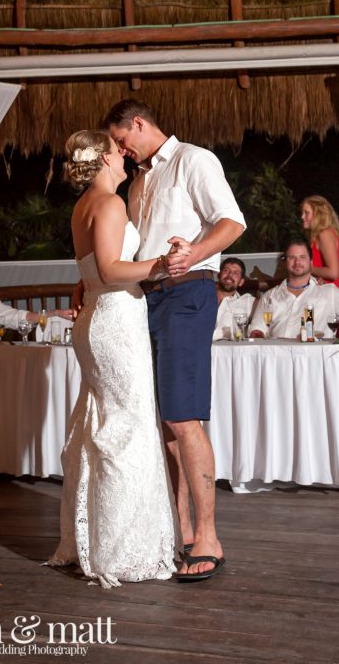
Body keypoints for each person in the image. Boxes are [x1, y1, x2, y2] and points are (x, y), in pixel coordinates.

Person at [106, 99, 246, 582]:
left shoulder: (193, 159)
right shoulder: (138, 180)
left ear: (139, 124)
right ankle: (179, 530)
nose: (121, 151)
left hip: (187, 293)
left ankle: (209, 536)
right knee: (164, 420)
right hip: (145, 300)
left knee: (184, 416)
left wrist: (196, 252)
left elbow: (232, 222)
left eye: (122, 140)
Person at [48, 130, 178, 588]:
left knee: (100, 426)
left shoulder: (83, 206)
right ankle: (121, 551)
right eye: (116, 149)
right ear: (103, 158)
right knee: (127, 429)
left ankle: (94, 538)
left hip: (97, 324)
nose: (124, 154)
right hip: (116, 322)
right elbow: (109, 270)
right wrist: (163, 264)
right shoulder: (109, 204)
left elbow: (90, 272)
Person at [249, 239, 339, 338]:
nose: (297, 262)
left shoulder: (328, 292)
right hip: (277, 358)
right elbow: (257, 328)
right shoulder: (269, 296)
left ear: (311, 261)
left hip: (315, 358)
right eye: (292, 257)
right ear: (285, 262)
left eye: (302, 257)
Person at [300, 195, 339, 290]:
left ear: (319, 214)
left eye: (306, 213)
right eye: (302, 212)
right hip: (324, 290)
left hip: (331, 294)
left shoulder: (325, 234)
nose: (302, 216)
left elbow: (334, 272)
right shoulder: (320, 235)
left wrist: (307, 268)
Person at [212, 258, 255, 341]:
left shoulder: (248, 302)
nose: (229, 275)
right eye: (226, 271)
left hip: (230, 350)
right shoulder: (203, 298)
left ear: (241, 282)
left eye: (235, 273)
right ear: (219, 275)